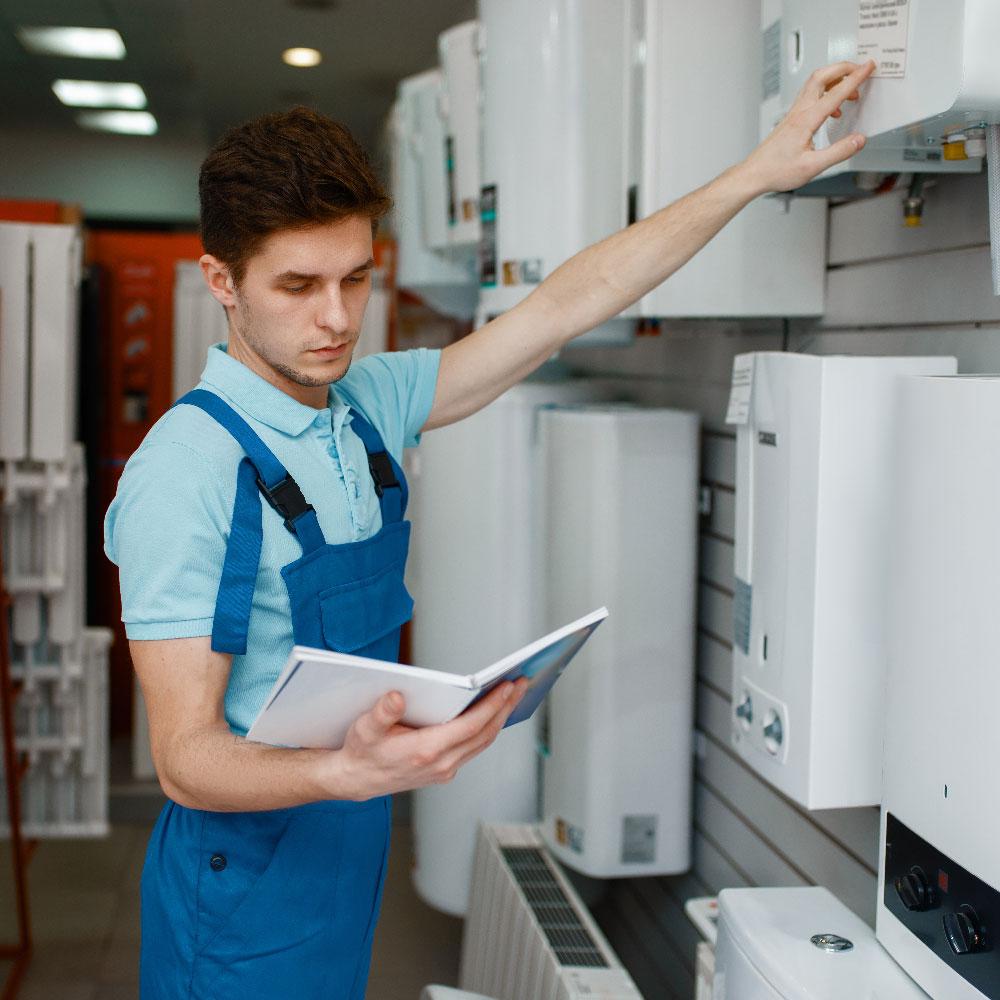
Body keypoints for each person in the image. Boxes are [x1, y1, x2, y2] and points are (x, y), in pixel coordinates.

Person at [105, 58, 875, 1000]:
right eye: (299, 286)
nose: (339, 318)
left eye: (356, 277)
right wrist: (346, 770)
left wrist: (756, 173)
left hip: (345, 853)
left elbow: (562, 306)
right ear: (220, 280)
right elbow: (184, 762)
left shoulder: (366, 406)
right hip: (235, 898)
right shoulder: (184, 472)